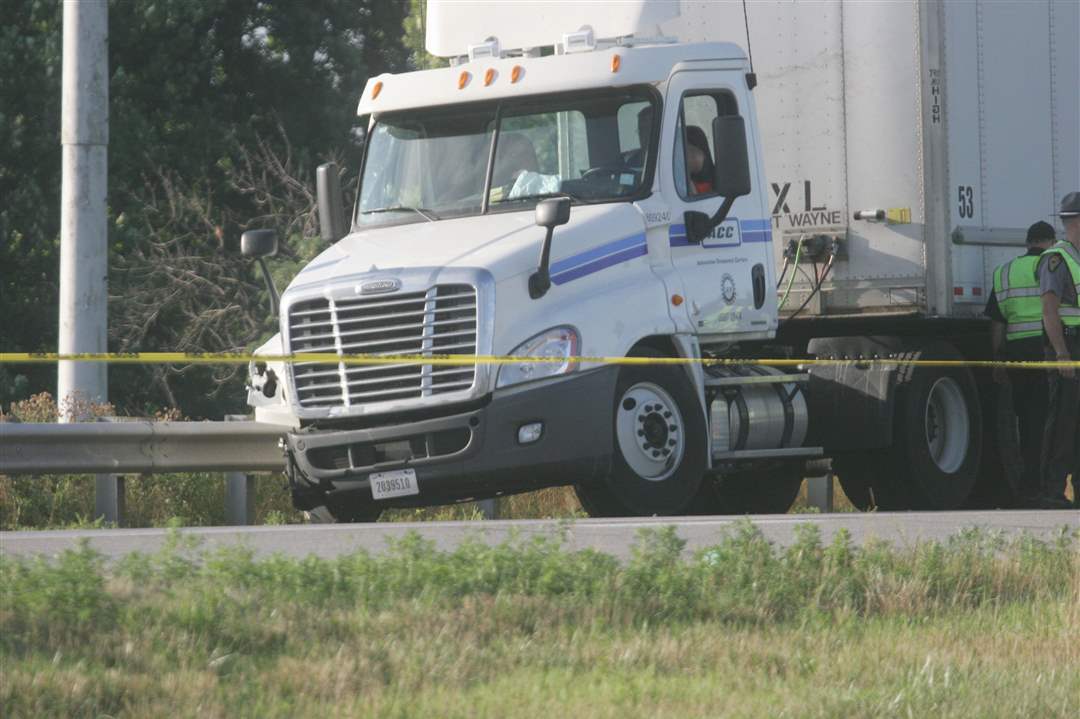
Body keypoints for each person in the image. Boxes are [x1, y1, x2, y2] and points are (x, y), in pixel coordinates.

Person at [985, 221, 1057, 504]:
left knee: (1025, 420)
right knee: (1048, 422)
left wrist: (998, 360)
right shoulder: (1054, 267)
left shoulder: (1004, 272)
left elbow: (997, 322)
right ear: (1050, 242)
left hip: (1017, 354)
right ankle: (1042, 486)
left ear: (1028, 243)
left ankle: (1027, 485)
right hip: (1048, 351)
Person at [1035, 191, 1080, 509]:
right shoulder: (1057, 259)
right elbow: (1049, 311)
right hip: (1067, 344)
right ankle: (1051, 489)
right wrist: (1062, 354)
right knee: (1064, 419)